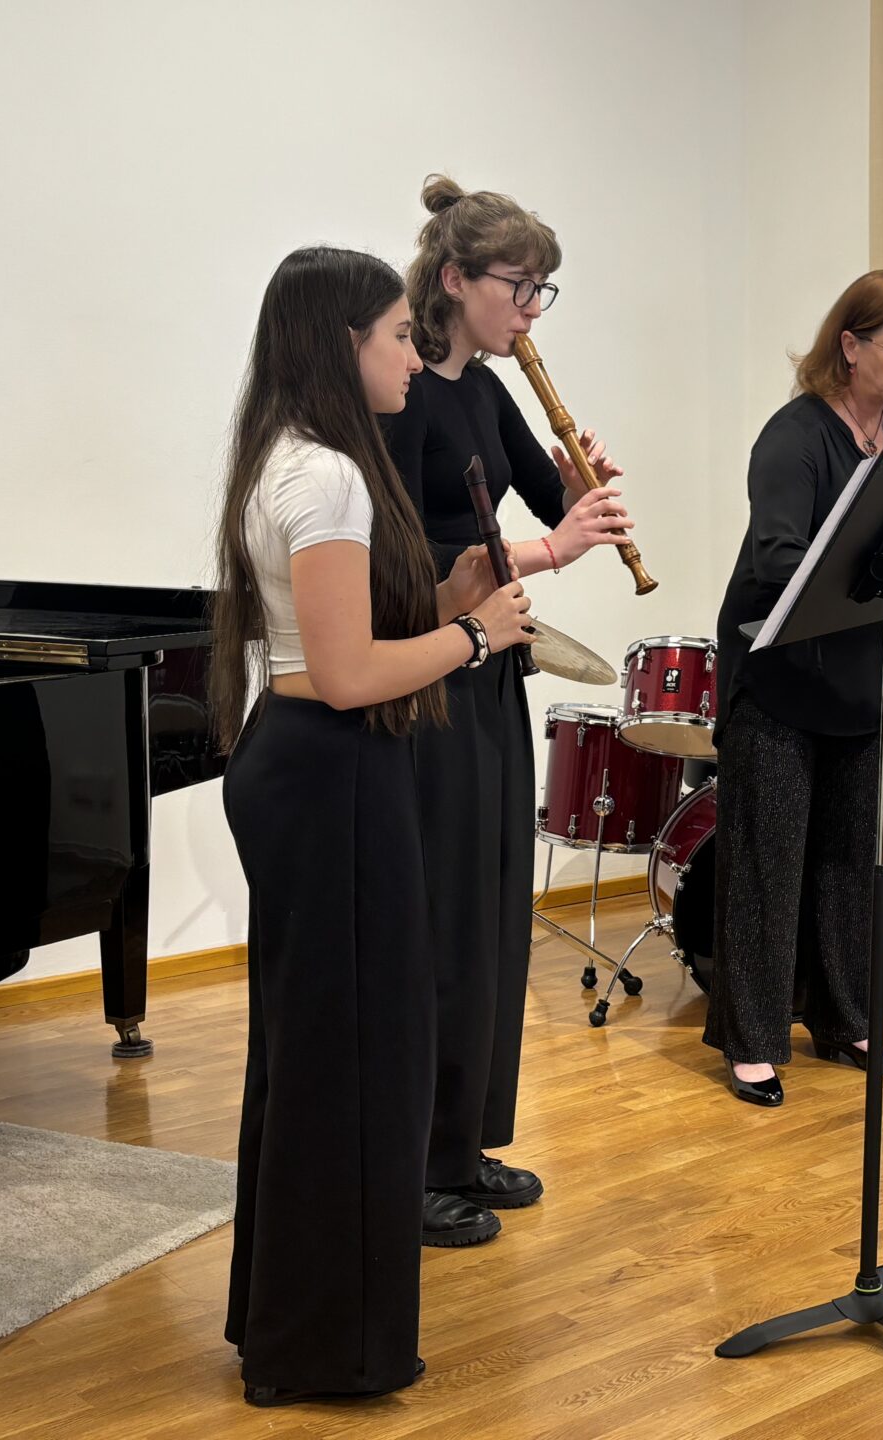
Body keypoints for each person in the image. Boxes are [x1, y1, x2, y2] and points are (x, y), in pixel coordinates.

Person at [210, 246, 532, 1403]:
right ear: (345, 344)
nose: (412, 355)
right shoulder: (332, 478)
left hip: (300, 765)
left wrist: (446, 600)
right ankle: (328, 1351)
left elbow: (333, 639)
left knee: (313, 1061)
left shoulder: (285, 457)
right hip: (332, 772)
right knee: (356, 1068)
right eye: (398, 335)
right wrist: (479, 635)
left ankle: (289, 1326)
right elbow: (347, 676)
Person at [384, 175, 634, 1244]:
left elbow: (545, 502)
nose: (532, 310)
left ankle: (465, 1144)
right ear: (454, 279)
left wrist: (583, 491)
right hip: (427, 673)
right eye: (519, 287)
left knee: (493, 912)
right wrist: (554, 547)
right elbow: (410, 553)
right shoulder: (400, 396)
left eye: (543, 291)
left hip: (495, 666)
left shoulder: (488, 392)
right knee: (439, 921)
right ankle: (412, 1164)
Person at [705, 269, 883, 1107]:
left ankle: (845, 1019)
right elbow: (780, 560)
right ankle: (753, 1041)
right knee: (768, 868)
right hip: (777, 678)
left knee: (852, 864)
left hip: (854, 675)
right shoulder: (795, 437)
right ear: (849, 346)